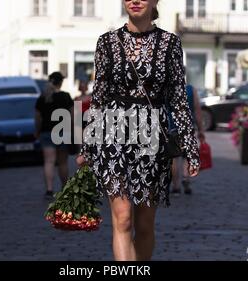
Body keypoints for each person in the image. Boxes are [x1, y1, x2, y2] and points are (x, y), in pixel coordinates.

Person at [76, 0, 200, 261]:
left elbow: (178, 99)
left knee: (144, 225)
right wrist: (87, 146)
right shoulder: (106, 42)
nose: (134, 0)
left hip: (151, 137)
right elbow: (98, 97)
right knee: (122, 219)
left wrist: (190, 148)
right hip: (112, 134)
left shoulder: (170, 44)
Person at [35, 72, 74, 199]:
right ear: (61, 82)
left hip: (46, 132)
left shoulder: (42, 98)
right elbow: (74, 116)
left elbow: (38, 118)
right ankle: (65, 188)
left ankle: (49, 190)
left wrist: (37, 131)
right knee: (63, 163)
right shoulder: (66, 96)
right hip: (63, 131)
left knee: (49, 161)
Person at [171, 84, 205, 196]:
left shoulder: (168, 88)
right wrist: (200, 130)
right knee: (187, 156)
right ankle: (186, 178)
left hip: (172, 127)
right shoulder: (191, 90)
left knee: (175, 158)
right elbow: (197, 110)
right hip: (188, 127)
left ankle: (176, 186)